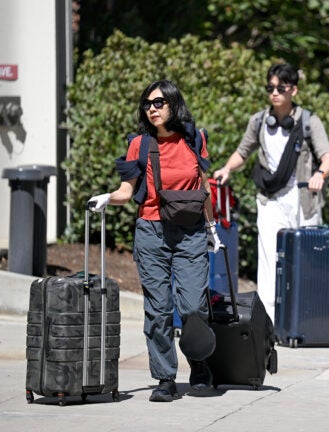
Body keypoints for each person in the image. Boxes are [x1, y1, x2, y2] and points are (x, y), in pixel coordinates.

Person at [87, 79, 219, 403]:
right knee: (158, 310)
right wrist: (107, 198)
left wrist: (212, 227)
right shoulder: (139, 144)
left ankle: (200, 365)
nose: (152, 109)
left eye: (159, 103)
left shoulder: (194, 138)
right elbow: (127, 191)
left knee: (193, 306)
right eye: (148, 104)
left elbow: (205, 186)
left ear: (174, 104)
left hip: (190, 232)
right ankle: (165, 379)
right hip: (151, 232)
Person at [212, 63, 329, 318]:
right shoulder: (258, 121)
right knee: (269, 260)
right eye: (270, 87)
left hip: (302, 199)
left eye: (281, 87)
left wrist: (320, 174)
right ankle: (268, 322)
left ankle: (306, 318)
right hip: (270, 199)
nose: (275, 92)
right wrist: (227, 168)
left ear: (294, 90)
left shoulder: (310, 121)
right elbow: (243, 151)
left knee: (306, 260)